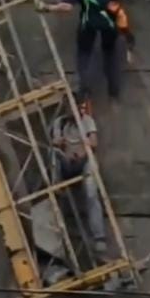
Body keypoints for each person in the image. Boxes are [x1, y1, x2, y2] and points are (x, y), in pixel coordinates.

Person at [38, 0, 121, 99]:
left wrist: (48, 7)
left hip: (89, 20)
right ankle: (113, 89)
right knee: (110, 51)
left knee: (84, 53)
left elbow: (67, 7)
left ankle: (84, 89)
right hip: (109, 18)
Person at [51, 94, 108, 261]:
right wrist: (59, 143)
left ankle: (99, 237)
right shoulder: (60, 123)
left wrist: (81, 153)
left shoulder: (87, 121)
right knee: (52, 154)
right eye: (70, 107)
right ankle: (56, 183)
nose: (73, 111)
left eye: (75, 107)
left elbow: (94, 142)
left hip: (83, 162)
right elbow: (54, 141)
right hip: (66, 162)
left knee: (91, 194)